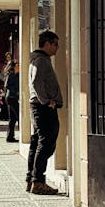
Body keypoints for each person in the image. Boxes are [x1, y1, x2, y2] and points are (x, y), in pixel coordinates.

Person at [26, 30, 63, 195]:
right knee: (46, 142)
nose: (57, 48)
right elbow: (36, 82)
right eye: (55, 44)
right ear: (47, 44)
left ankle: (31, 179)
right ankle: (38, 181)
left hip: (38, 106)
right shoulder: (41, 61)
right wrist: (47, 101)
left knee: (37, 142)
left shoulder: (39, 59)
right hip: (43, 107)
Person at [5, 61, 19, 142]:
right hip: (11, 97)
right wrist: (16, 92)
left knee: (13, 118)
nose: (19, 66)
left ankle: (10, 137)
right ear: (14, 67)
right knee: (19, 116)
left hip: (13, 98)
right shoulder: (11, 74)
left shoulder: (17, 75)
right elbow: (7, 85)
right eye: (17, 65)